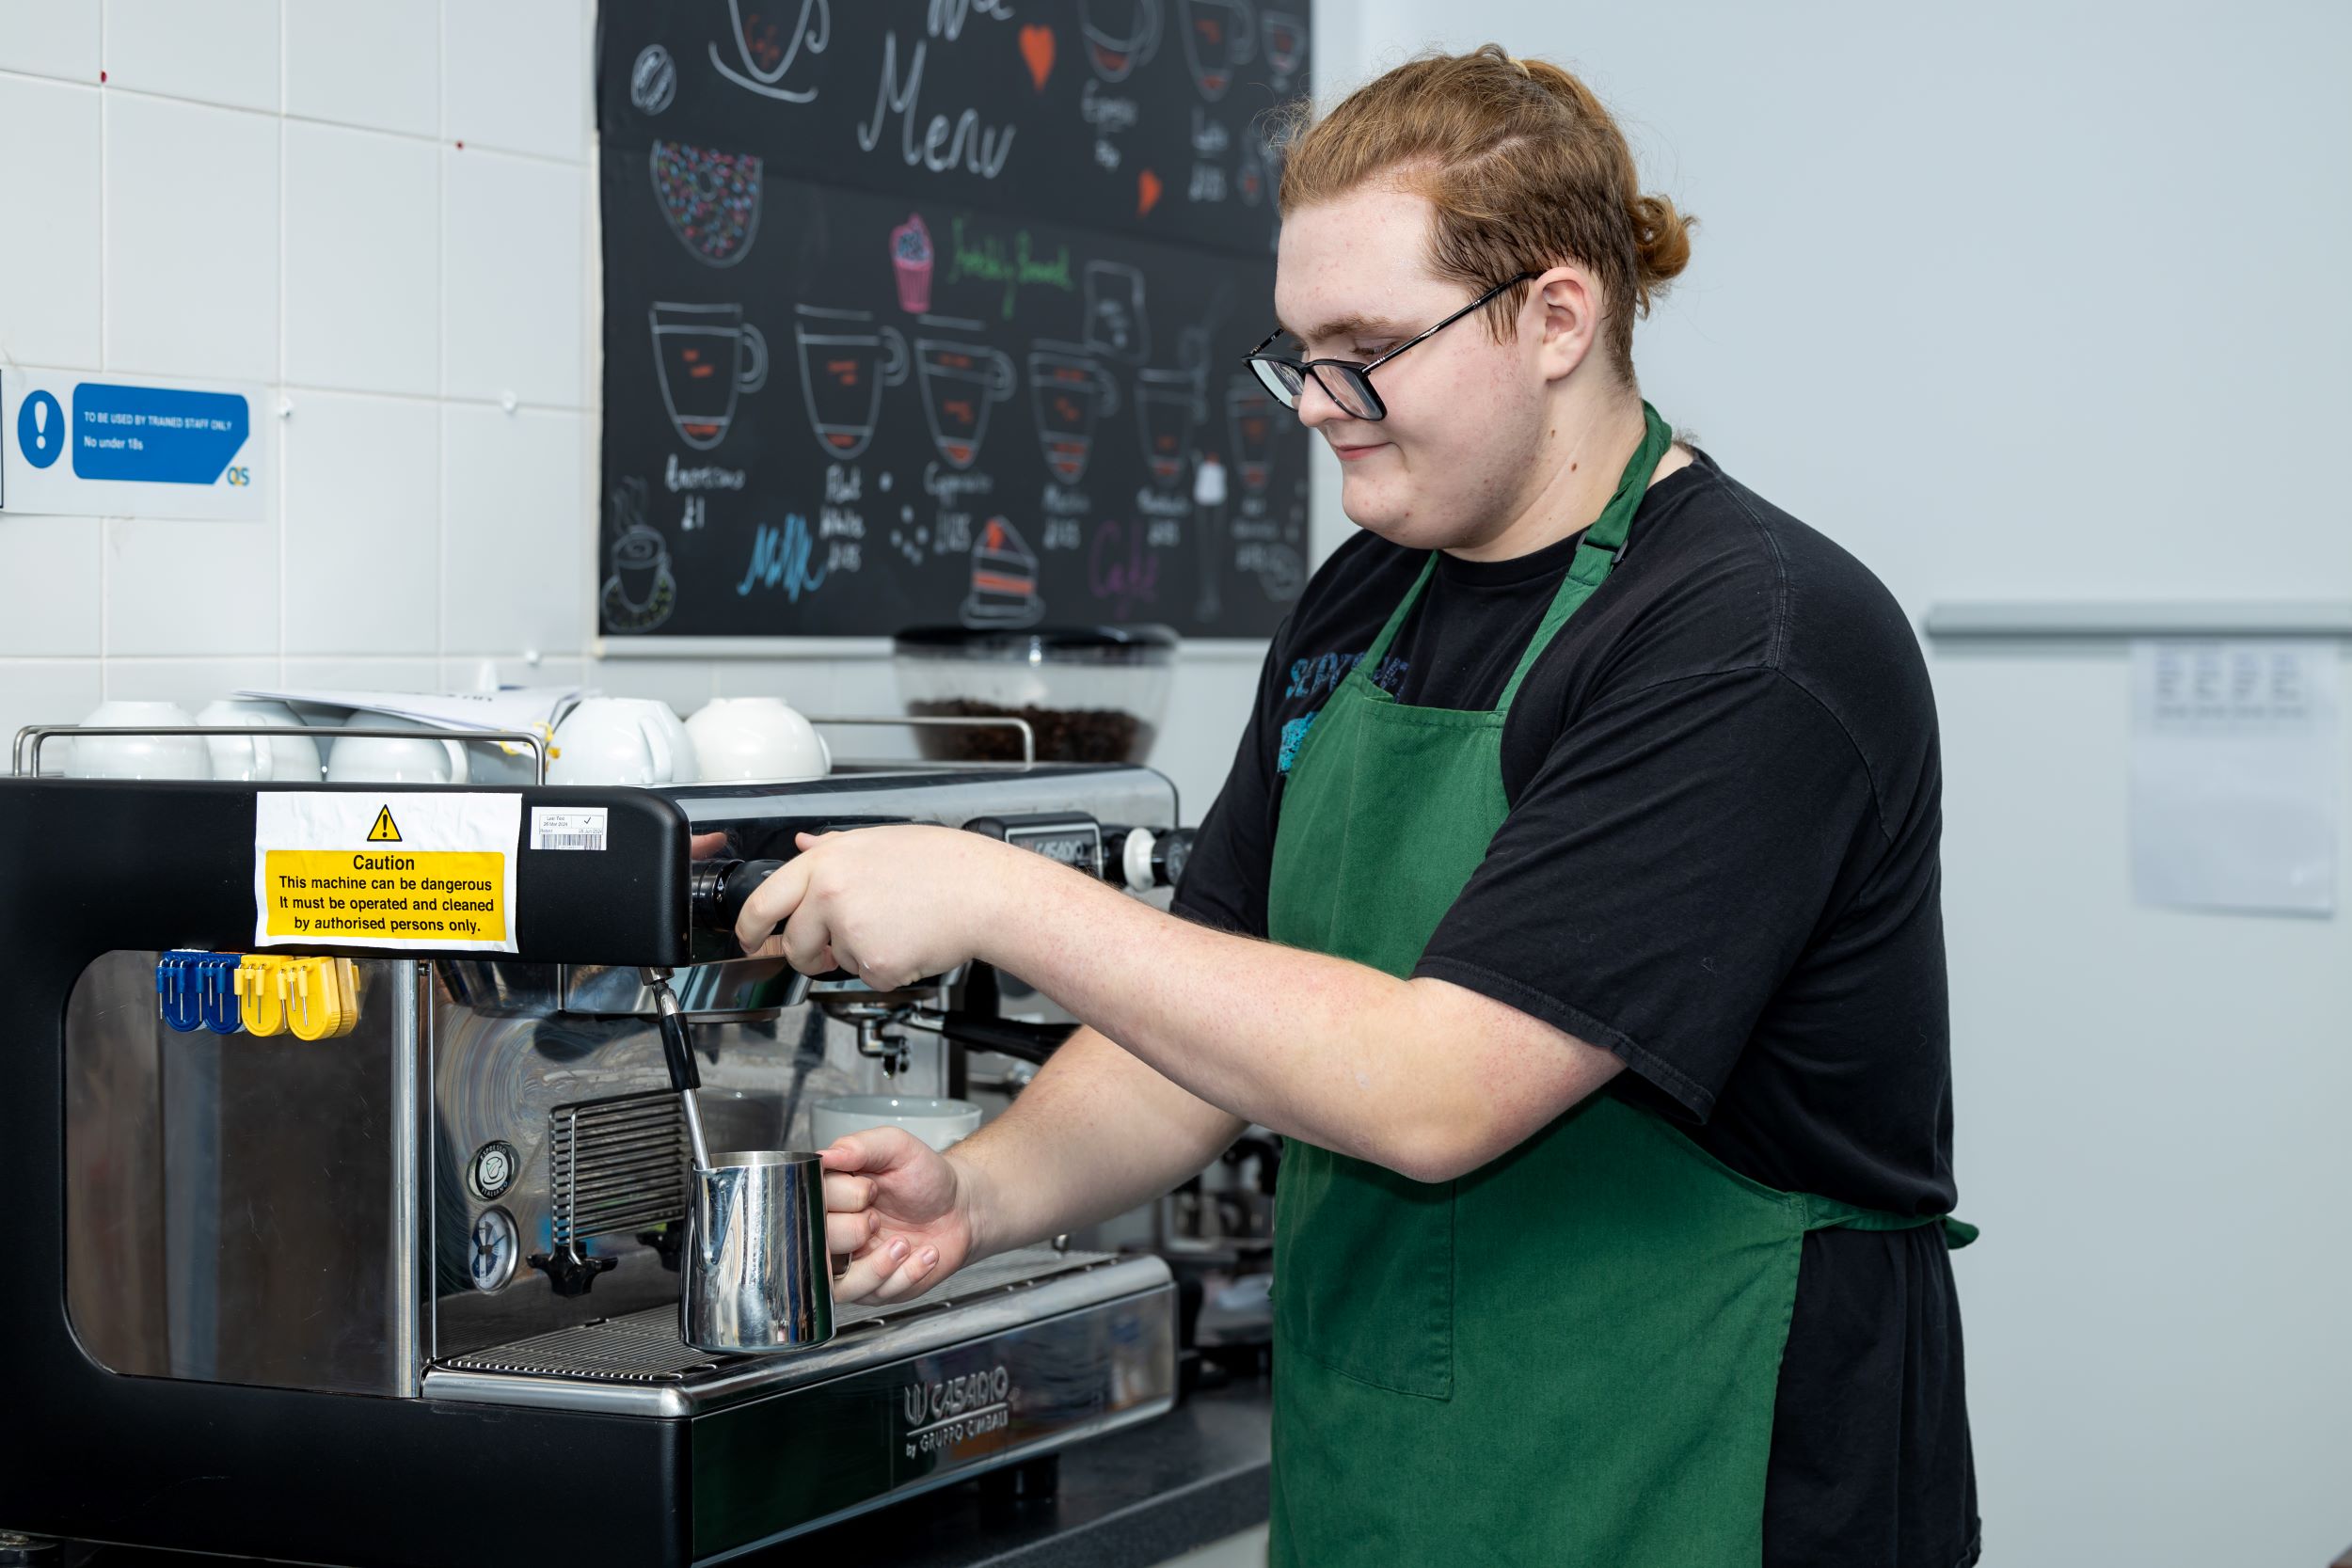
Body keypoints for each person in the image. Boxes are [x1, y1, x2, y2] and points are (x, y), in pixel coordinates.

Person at [736, 44, 1979, 1568]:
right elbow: (1196, 1039)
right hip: (1398, 1481)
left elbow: (1434, 1089)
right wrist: (976, 1198)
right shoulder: (1366, 596)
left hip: (1703, 1481)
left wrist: (995, 891)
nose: (1321, 405)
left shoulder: (1749, 638)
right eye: (1299, 352)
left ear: (1555, 317)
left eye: (1370, 348)